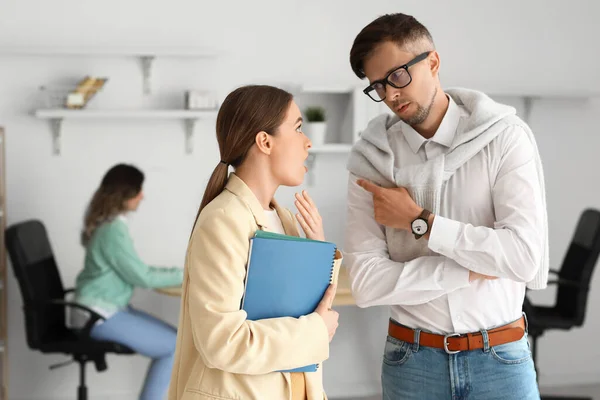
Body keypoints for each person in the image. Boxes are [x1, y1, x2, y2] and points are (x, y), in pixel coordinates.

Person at [344, 13, 549, 399]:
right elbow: (367, 285)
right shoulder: (371, 160)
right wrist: (470, 269)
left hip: (501, 359)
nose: (390, 95)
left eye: (397, 76)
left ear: (433, 63)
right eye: (377, 86)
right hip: (412, 363)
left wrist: (421, 222)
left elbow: (523, 257)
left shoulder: (504, 138)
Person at [168, 85, 342, 400]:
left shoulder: (285, 218)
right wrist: (317, 330)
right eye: (298, 128)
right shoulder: (223, 220)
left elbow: (308, 312)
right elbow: (223, 343)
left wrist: (318, 248)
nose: (308, 141)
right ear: (264, 141)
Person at [72, 163, 184, 400]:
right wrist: (188, 272)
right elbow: (142, 277)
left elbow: (138, 270)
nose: (142, 196)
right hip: (98, 314)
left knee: (176, 342)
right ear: (124, 194)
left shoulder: (111, 225)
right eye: (138, 190)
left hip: (103, 308)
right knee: (175, 347)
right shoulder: (112, 231)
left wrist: (179, 272)